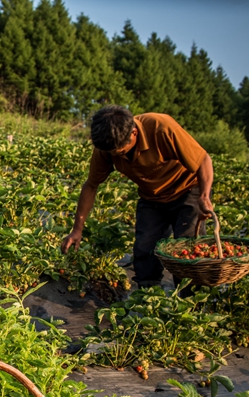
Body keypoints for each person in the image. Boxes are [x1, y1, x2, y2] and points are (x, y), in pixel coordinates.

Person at [61, 105, 214, 289]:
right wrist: (77, 230)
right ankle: (148, 299)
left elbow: (203, 159)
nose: (115, 155)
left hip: (187, 190)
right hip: (152, 197)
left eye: (120, 152)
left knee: (188, 249)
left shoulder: (161, 127)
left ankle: (191, 305)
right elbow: (91, 185)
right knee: (144, 248)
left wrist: (204, 196)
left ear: (134, 133)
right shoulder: (107, 146)